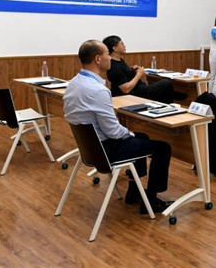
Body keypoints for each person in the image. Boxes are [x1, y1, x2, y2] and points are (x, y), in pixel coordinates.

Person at [63, 40, 173, 213]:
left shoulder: (73, 84)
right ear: (98, 59)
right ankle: (151, 201)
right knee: (163, 148)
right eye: (107, 54)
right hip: (107, 151)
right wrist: (130, 133)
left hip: (90, 149)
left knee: (141, 137)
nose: (110, 58)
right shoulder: (98, 90)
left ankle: (134, 191)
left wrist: (131, 134)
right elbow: (113, 131)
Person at [102, 36, 186, 103]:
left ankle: (172, 99)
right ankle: (175, 99)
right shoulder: (114, 66)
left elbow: (125, 75)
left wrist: (133, 70)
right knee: (166, 83)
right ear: (115, 48)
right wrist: (139, 74)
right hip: (133, 95)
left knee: (165, 88)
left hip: (139, 89)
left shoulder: (120, 60)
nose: (125, 46)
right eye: (122, 44)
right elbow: (126, 89)